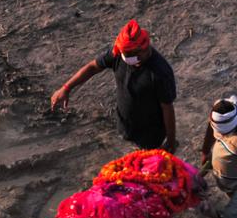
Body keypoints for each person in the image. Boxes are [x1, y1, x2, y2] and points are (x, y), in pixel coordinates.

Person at [50, 19, 178, 152]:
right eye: (126, 56)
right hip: (125, 125)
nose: (129, 60)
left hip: (149, 136)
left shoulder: (160, 73)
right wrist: (66, 88)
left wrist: (171, 141)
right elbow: (93, 67)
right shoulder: (118, 54)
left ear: (144, 49)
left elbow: (167, 108)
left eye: (132, 56)